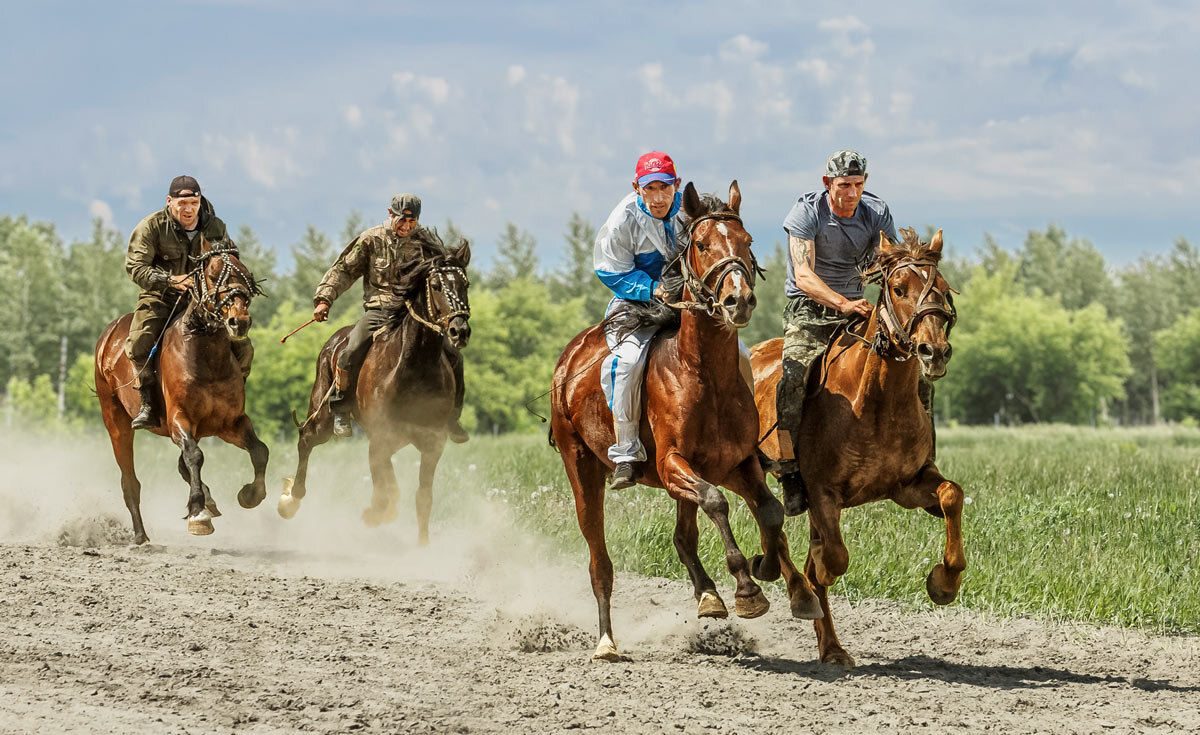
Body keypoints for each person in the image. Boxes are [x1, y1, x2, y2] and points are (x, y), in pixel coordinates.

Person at [775, 150, 939, 484]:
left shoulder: (876, 212)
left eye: (858, 184)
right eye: (844, 184)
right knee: (791, 380)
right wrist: (843, 303)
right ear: (827, 183)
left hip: (857, 311)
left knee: (915, 372)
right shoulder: (807, 212)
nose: (851, 193)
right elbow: (803, 276)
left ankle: (925, 458)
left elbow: (894, 263)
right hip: (809, 312)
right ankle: (787, 463)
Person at [313, 193, 468, 442]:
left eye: (413, 221)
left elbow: (442, 269)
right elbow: (343, 270)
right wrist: (324, 299)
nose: (407, 226)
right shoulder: (371, 239)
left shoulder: (423, 243)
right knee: (350, 350)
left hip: (415, 313)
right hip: (379, 310)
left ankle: (452, 418)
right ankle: (341, 409)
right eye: (403, 220)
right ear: (390, 213)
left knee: (454, 355)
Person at [593, 152, 693, 489]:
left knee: (737, 352)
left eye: (665, 187)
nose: (659, 197)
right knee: (628, 363)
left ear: (676, 185)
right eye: (651, 188)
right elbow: (608, 269)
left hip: (687, 302)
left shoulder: (691, 209)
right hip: (635, 303)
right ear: (637, 188)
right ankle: (625, 451)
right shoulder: (622, 218)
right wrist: (654, 288)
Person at [124, 175, 253, 429]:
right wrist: (171, 280)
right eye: (182, 203)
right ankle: (148, 402)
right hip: (160, 296)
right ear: (170, 202)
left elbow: (226, 260)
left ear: (199, 201)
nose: (188, 209)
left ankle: (233, 394)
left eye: (193, 203)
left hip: (203, 300)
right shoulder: (151, 227)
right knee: (140, 341)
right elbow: (135, 268)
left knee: (244, 347)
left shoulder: (215, 226)